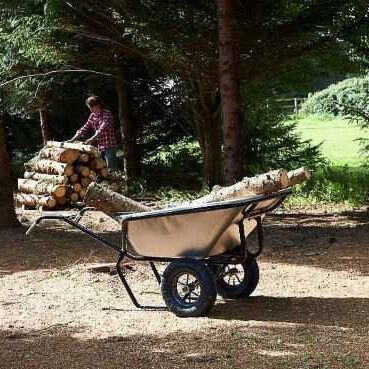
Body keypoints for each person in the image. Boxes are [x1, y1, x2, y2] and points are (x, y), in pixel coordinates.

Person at [69, 96, 118, 169]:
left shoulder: (107, 114)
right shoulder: (92, 116)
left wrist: (90, 140)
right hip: (100, 147)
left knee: (112, 169)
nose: (90, 109)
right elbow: (84, 128)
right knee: (102, 169)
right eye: (89, 107)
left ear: (98, 105)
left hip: (109, 146)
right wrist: (72, 140)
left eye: (91, 107)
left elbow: (101, 130)